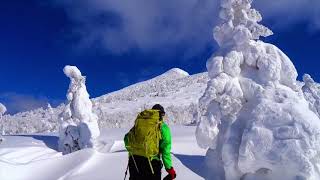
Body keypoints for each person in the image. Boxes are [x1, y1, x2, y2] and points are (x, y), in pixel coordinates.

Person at [124, 104, 176, 180]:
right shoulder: (163, 127)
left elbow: (127, 140)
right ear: (161, 114)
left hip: (134, 161)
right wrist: (169, 168)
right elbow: (165, 150)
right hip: (151, 164)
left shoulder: (139, 124)